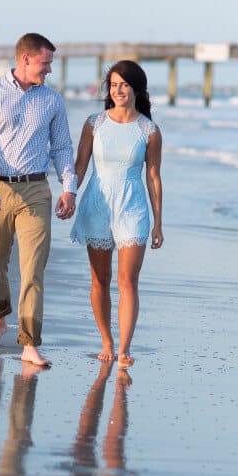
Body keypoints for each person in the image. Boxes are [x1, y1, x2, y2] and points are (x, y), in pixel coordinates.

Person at [0, 32, 77, 367]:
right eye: (45, 63)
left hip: (36, 192)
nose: (49, 70)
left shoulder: (52, 101)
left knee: (33, 270)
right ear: (25, 59)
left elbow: (62, 148)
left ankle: (29, 342)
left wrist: (69, 187)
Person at [69, 60, 164, 368]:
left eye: (124, 84)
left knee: (128, 281)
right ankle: (106, 341)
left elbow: (153, 177)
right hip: (97, 204)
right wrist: (68, 194)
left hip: (133, 208)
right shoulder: (94, 123)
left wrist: (158, 223)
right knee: (100, 279)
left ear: (136, 88)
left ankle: (124, 348)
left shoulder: (148, 130)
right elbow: (80, 166)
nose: (118, 90)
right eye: (113, 85)